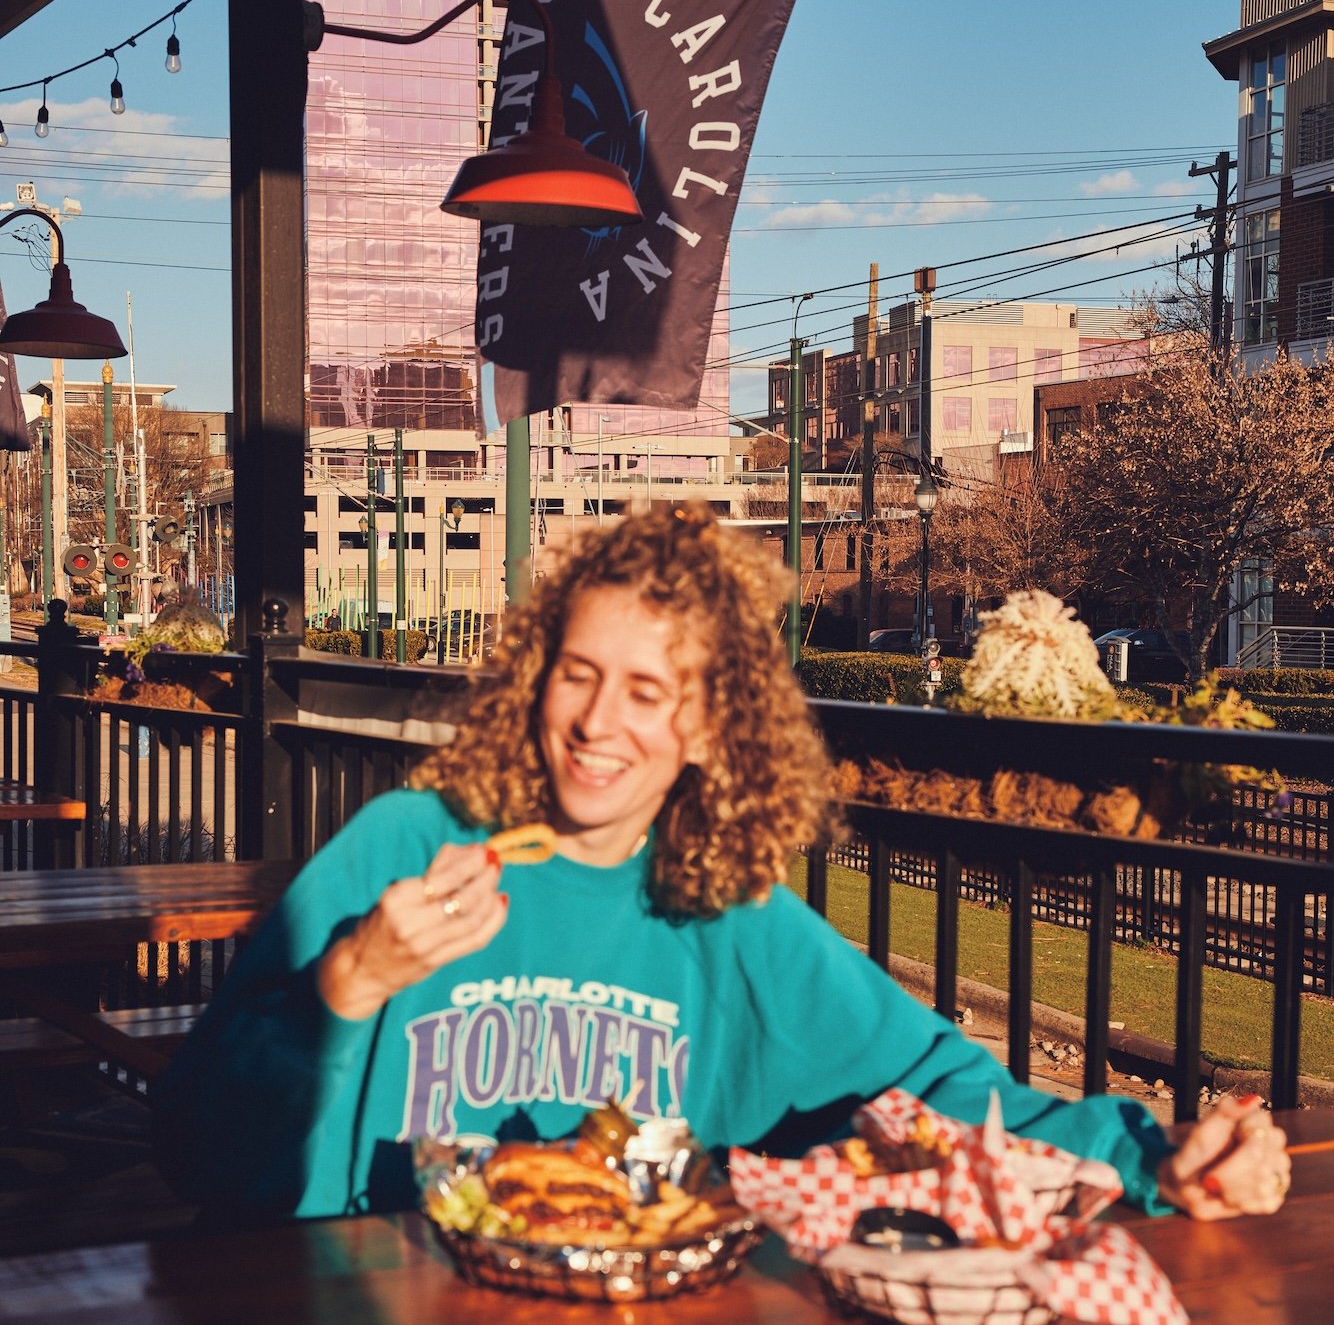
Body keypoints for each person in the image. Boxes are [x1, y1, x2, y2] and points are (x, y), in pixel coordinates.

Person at [153, 503, 1290, 1229]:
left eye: (648, 692)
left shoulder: (725, 912)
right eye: (576, 674)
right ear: (532, 679)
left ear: (707, 725)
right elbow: (198, 1151)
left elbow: (945, 1095)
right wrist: (349, 979)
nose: (598, 722)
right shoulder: (406, 847)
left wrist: (1153, 1155)